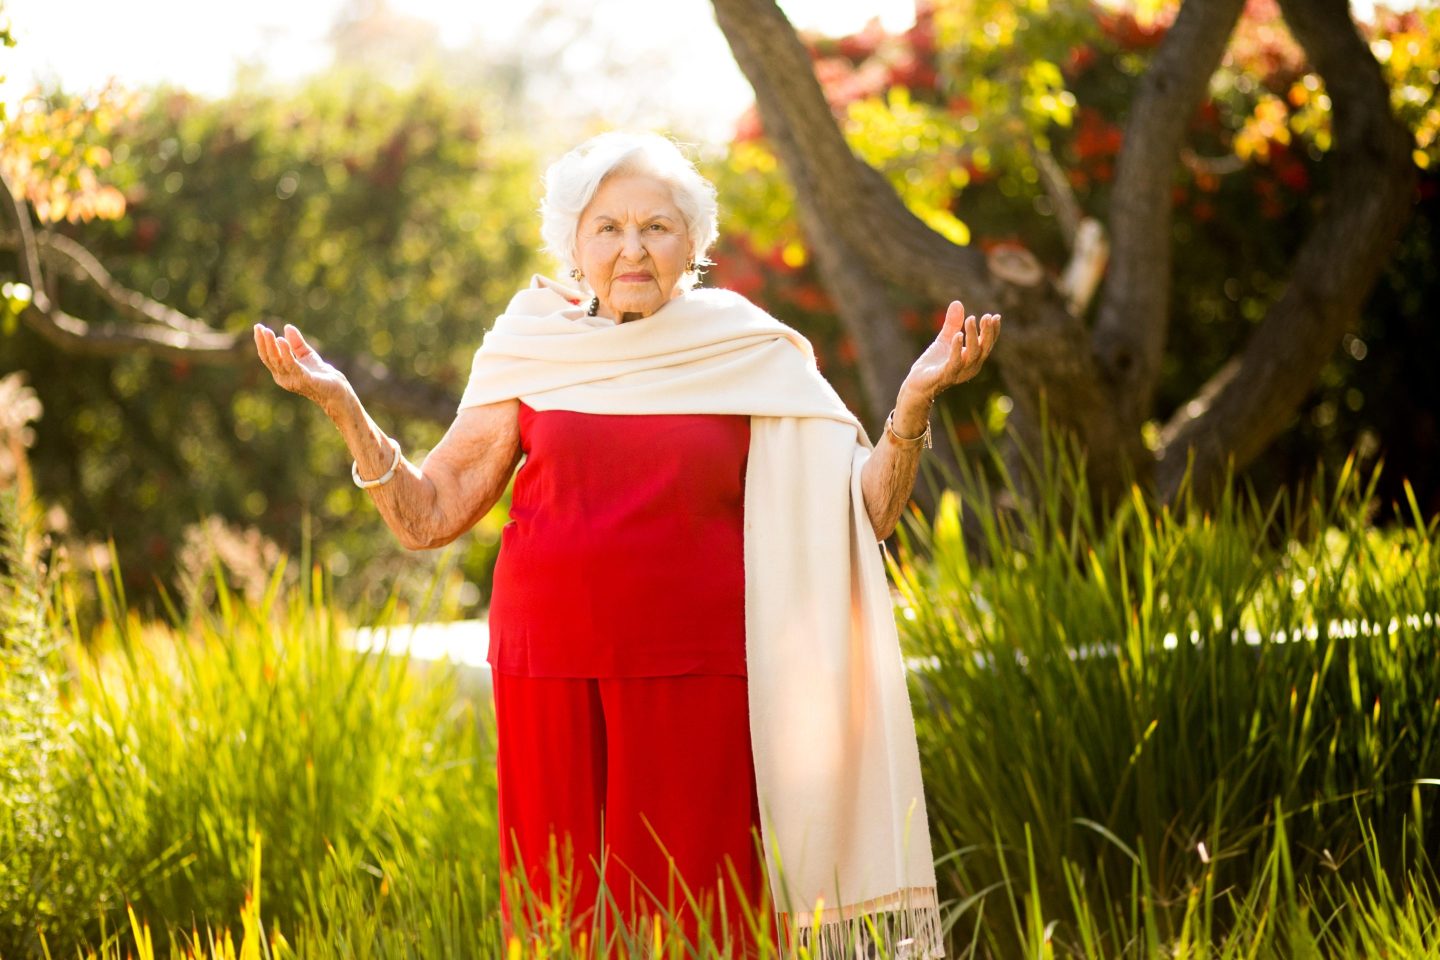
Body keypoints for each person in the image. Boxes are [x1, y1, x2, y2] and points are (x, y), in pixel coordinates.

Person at [253, 131, 999, 958]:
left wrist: (914, 405)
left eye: (657, 226)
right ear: (573, 244)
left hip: (700, 663)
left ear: (694, 244)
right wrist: (345, 410)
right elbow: (428, 516)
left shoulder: (749, 352)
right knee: (557, 908)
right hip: (546, 660)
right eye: (607, 227)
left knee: (702, 908)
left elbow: (865, 511)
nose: (632, 247)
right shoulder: (531, 347)